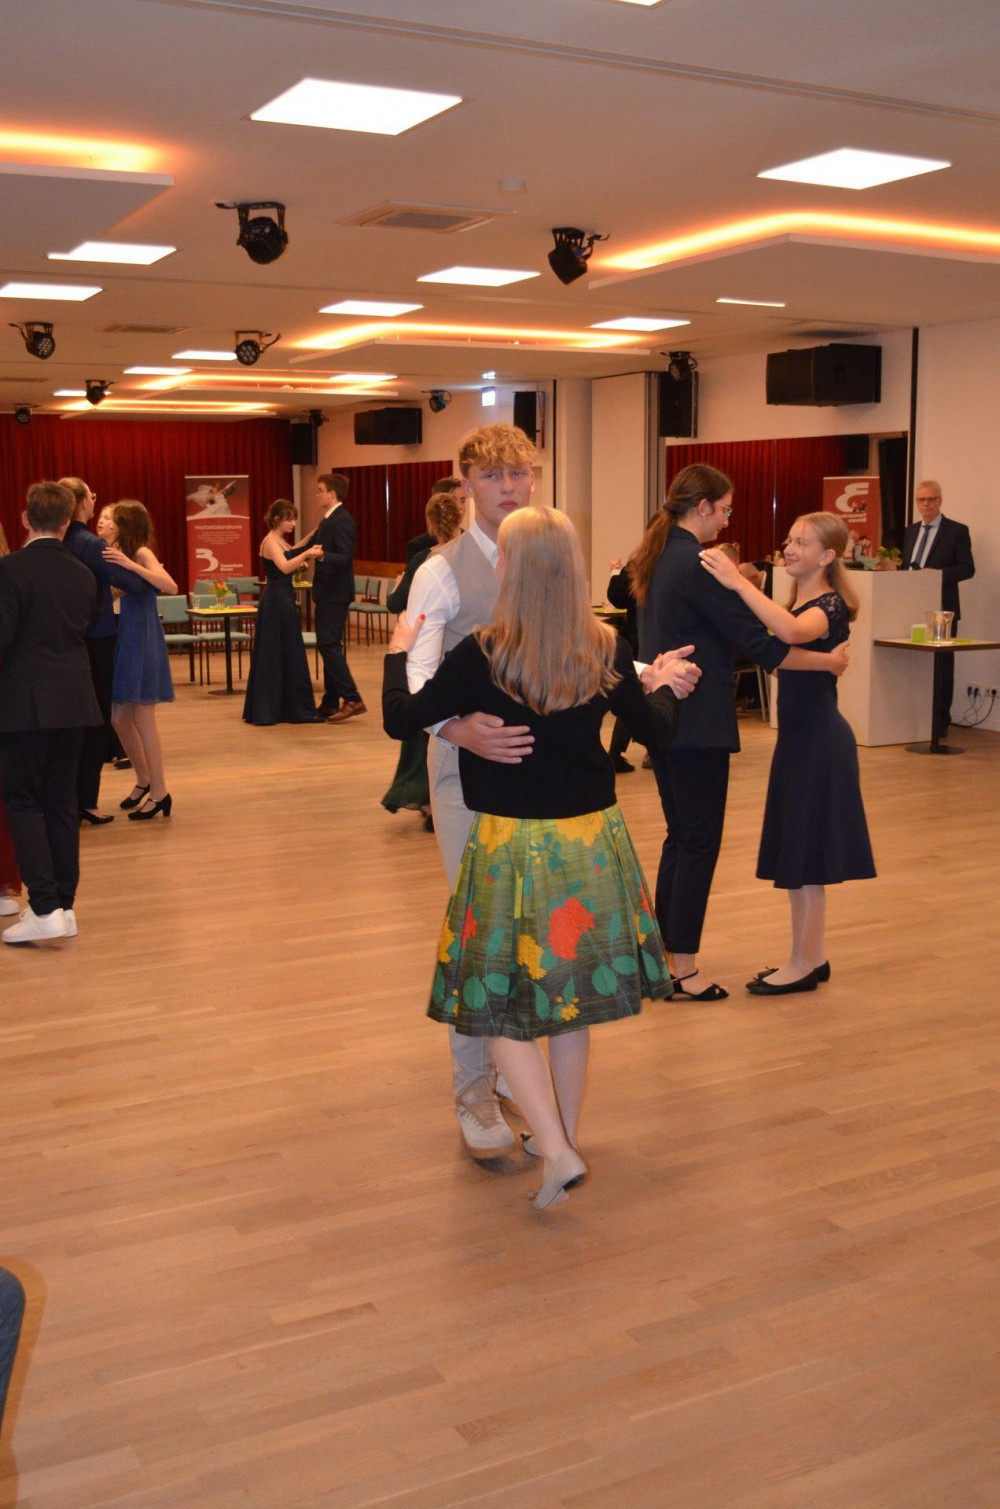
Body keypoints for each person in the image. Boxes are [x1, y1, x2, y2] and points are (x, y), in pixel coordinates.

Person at [383, 507, 700, 1209]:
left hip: (510, 847)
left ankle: (556, 1148)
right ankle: (563, 1138)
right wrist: (661, 685)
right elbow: (658, 732)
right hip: (590, 844)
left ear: (513, 569)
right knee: (570, 1005)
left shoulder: (487, 651)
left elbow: (400, 716)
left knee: (495, 1006)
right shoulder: (604, 646)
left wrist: (397, 652)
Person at [632, 464, 850, 1002]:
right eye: (725, 510)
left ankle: (665, 960)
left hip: (665, 714)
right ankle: (684, 970)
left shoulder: (658, 554)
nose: (727, 520)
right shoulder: (698, 562)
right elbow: (764, 645)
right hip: (697, 723)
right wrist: (826, 663)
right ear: (702, 507)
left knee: (681, 837)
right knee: (697, 842)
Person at [404, 423, 541, 1154]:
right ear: (466, 486)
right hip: (463, 773)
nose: (509, 488)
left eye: (519, 474)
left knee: (523, 928)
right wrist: (455, 728)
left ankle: (515, 1068)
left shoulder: (544, 556)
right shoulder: (441, 571)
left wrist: (647, 674)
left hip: (535, 772)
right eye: (493, 476)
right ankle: (473, 1087)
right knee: (479, 930)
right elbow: (416, 676)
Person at [701, 512, 876, 993]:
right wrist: (823, 661)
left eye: (803, 542)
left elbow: (792, 634)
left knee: (806, 857)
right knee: (800, 852)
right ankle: (811, 956)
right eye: (790, 540)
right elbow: (779, 659)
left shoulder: (829, 604)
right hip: (800, 741)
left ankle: (802, 963)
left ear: (827, 556)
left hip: (818, 741)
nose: (790, 548)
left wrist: (738, 581)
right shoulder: (796, 603)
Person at [0, 481, 102, 943]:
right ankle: (64, 905)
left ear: (25, 519)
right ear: (66, 522)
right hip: (76, 699)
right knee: (61, 802)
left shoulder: (9, 570)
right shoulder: (83, 572)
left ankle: (43, 907)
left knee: (22, 800)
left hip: (23, 703)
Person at [61, 476, 153, 825]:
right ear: (81, 503)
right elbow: (132, 582)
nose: (94, 502)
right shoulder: (89, 542)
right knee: (97, 720)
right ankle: (87, 802)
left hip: (67, 639)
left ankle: (69, 800)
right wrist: (142, 573)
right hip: (97, 639)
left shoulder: (58, 539)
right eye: (91, 496)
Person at [382, 492, 464, 823]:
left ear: (430, 523)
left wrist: (397, 587)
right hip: (463, 656)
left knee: (425, 732)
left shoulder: (424, 561)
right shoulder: (474, 558)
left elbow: (395, 604)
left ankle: (431, 802)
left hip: (431, 658)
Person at [101, 501, 178, 822]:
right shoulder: (108, 553)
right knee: (119, 718)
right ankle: (143, 779)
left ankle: (160, 792)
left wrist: (132, 566)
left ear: (125, 525)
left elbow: (170, 585)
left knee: (144, 717)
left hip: (141, 638)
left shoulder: (141, 552)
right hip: (121, 637)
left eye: (110, 519)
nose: (102, 522)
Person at [901, 479, 975, 734]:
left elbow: (967, 569)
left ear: (940, 501)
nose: (926, 504)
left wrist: (936, 575)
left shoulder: (956, 531)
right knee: (914, 663)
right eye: (921, 500)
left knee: (942, 666)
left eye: (931, 499)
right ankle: (914, 719)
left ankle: (940, 721)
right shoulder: (910, 531)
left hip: (943, 610)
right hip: (912, 606)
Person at [243, 500, 323, 725]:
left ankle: (284, 707)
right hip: (276, 600)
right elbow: (285, 566)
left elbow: (293, 551)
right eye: (289, 519)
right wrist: (307, 553)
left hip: (282, 597)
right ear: (277, 519)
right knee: (279, 651)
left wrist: (312, 536)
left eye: (294, 518)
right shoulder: (270, 541)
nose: (293, 523)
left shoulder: (279, 540)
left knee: (285, 651)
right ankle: (277, 709)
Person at [313, 473, 365, 723]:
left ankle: (352, 698)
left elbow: (344, 557)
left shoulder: (342, 520)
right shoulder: (329, 519)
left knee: (328, 644)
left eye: (320, 490)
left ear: (332, 494)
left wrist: (322, 555)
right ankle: (331, 701)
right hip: (328, 592)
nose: (317, 495)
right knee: (329, 644)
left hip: (335, 592)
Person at [605, 557, 641, 773]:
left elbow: (617, 597)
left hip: (638, 638)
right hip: (660, 639)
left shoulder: (639, 562)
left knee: (634, 695)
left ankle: (616, 753)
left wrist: (615, 573)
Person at [405, 476, 463, 561]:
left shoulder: (472, 541)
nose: (460, 507)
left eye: (463, 501)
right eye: (452, 501)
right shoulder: (418, 546)